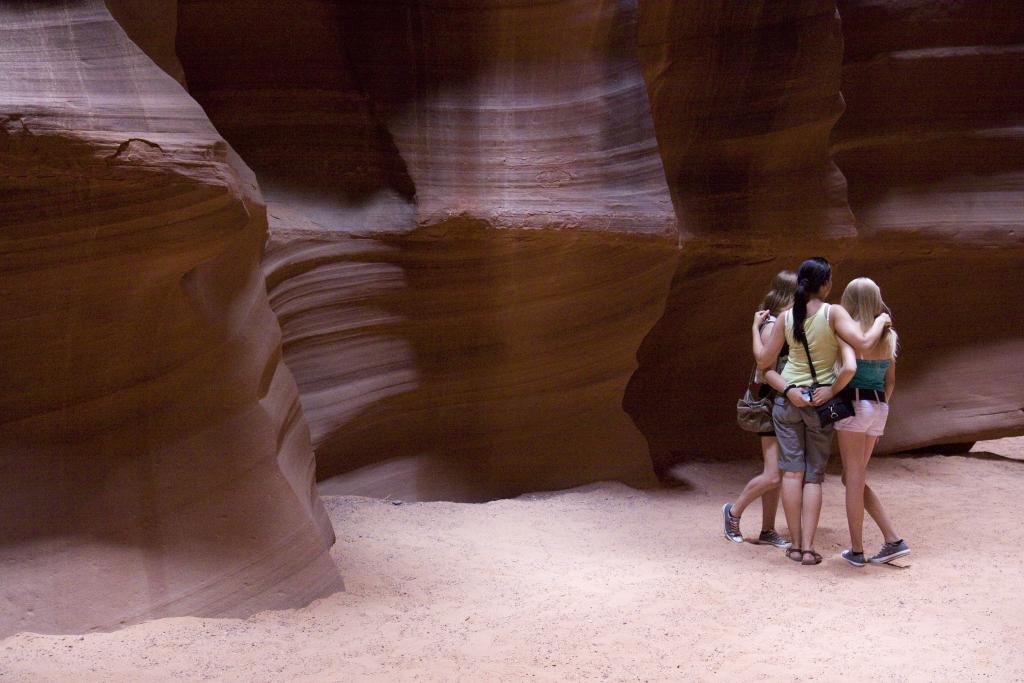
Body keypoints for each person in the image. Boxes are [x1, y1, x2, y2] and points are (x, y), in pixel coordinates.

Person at [752, 257, 890, 566]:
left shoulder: (787, 317)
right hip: (820, 402)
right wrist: (881, 320)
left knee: (791, 472)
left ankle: (795, 545)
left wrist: (754, 329)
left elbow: (764, 362)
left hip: (789, 400)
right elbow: (864, 345)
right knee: (813, 476)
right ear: (825, 284)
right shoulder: (833, 313)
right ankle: (809, 548)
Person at [834, 278, 910, 567]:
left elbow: (846, 367)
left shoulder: (849, 332)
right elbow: (890, 381)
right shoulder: (889, 335)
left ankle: (856, 550)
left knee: (853, 478)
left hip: (854, 404)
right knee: (853, 477)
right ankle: (893, 540)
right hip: (879, 406)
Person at [723, 271, 797, 547]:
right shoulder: (771, 324)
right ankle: (733, 512)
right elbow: (765, 368)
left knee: (776, 474)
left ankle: (768, 530)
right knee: (773, 474)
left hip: (782, 400)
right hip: (771, 401)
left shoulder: (782, 322)